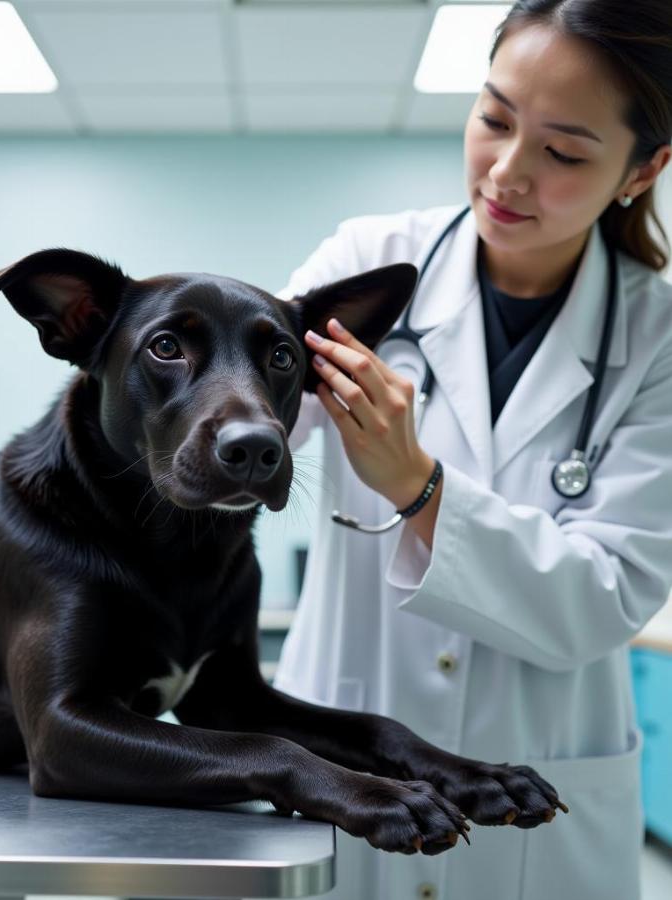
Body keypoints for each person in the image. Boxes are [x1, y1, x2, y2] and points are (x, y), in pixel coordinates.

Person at [273, 2, 672, 898]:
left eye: (564, 152)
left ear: (643, 170)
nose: (507, 171)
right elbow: (251, 426)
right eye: (494, 118)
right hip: (349, 764)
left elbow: (605, 596)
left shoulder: (659, 340)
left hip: (537, 812)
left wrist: (416, 486)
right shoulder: (371, 260)